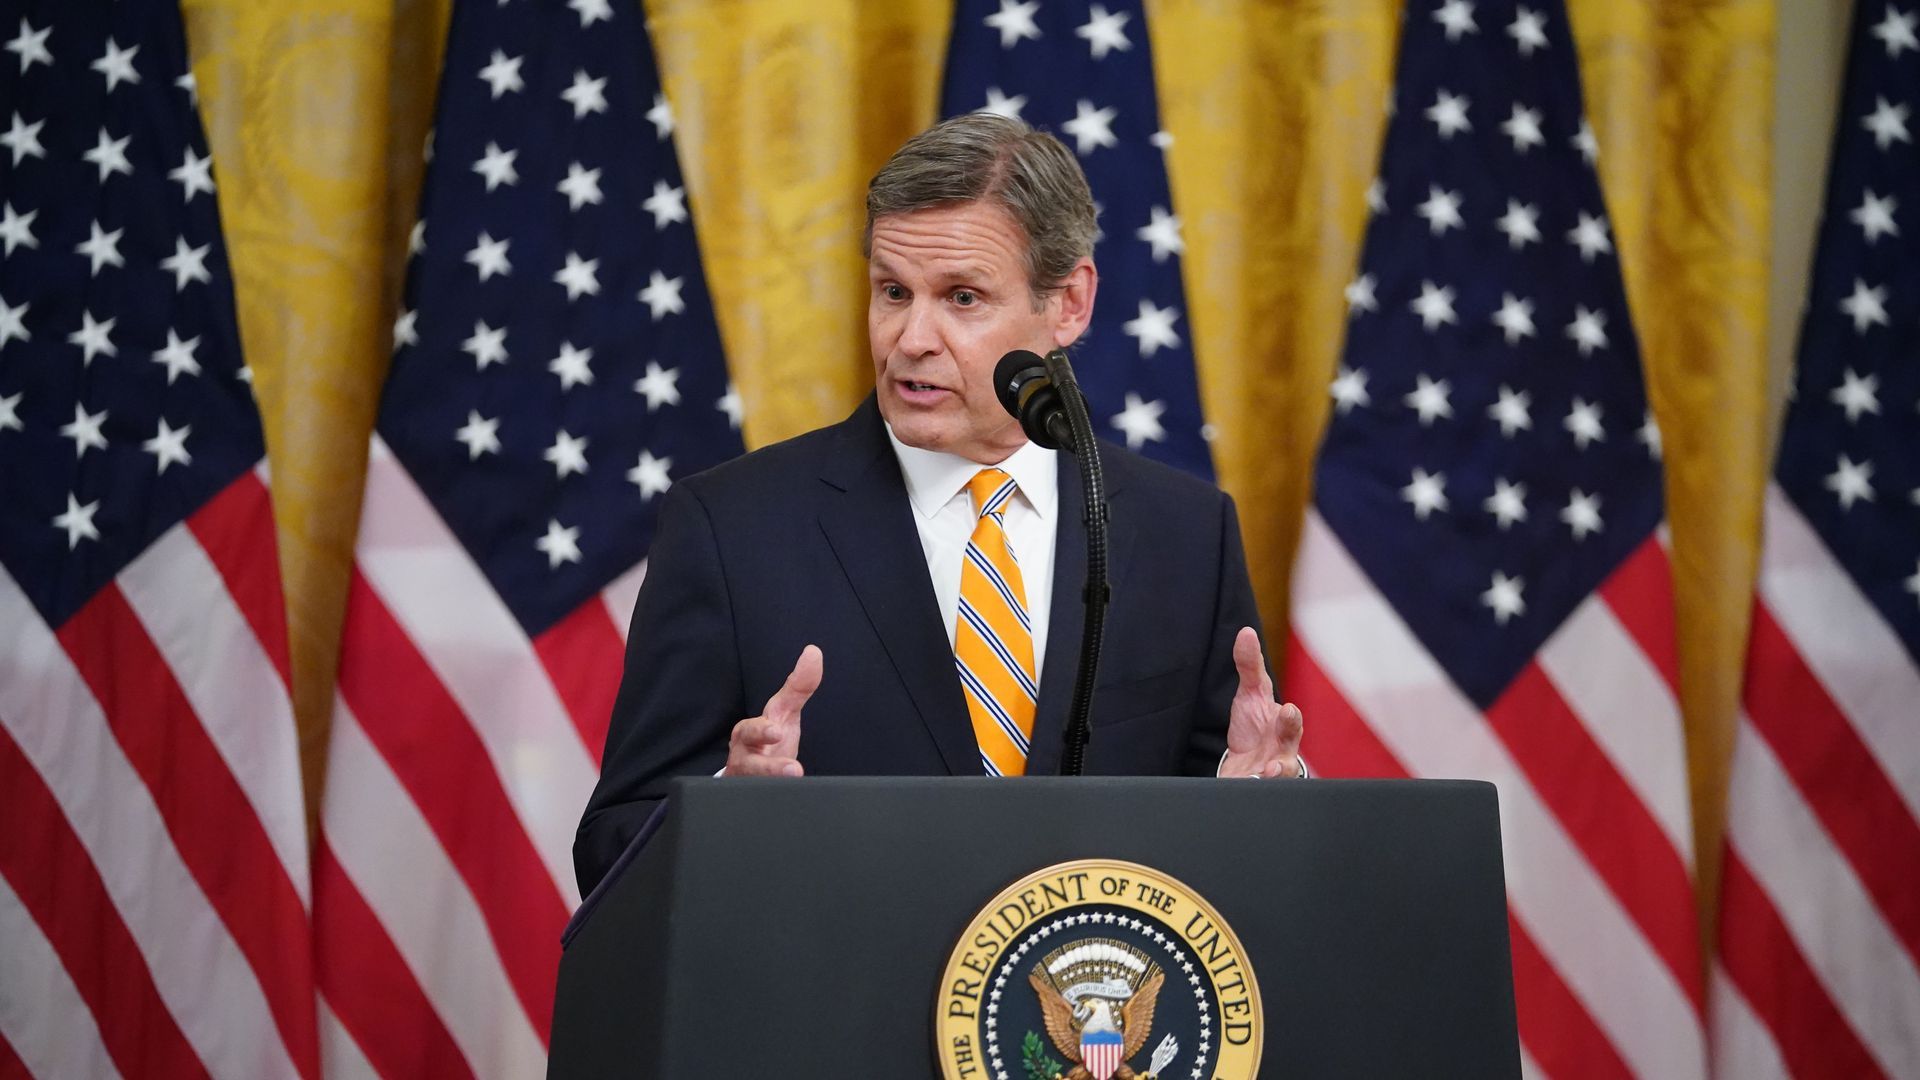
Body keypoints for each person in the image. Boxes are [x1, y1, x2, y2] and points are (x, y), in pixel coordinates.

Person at [574, 113, 1303, 895]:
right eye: (893, 291)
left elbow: (1227, 854)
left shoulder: (1184, 533)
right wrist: (725, 817)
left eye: (962, 297)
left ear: (1069, 304)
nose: (911, 338)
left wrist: (1254, 797)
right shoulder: (732, 529)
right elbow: (613, 845)